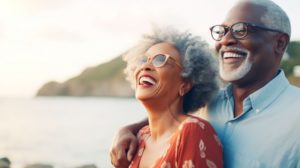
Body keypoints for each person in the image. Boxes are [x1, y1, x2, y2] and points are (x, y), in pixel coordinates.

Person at [110, 0, 300, 167]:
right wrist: (128, 129)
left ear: (280, 43)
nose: (225, 40)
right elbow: (167, 120)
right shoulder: (207, 104)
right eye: (222, 31)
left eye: (241, 30)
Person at [113, 28, 223, 168]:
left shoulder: (193, 131)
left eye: (160, 60)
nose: (145, 66)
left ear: (185, 85)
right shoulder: (140, 137)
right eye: (143, 60)